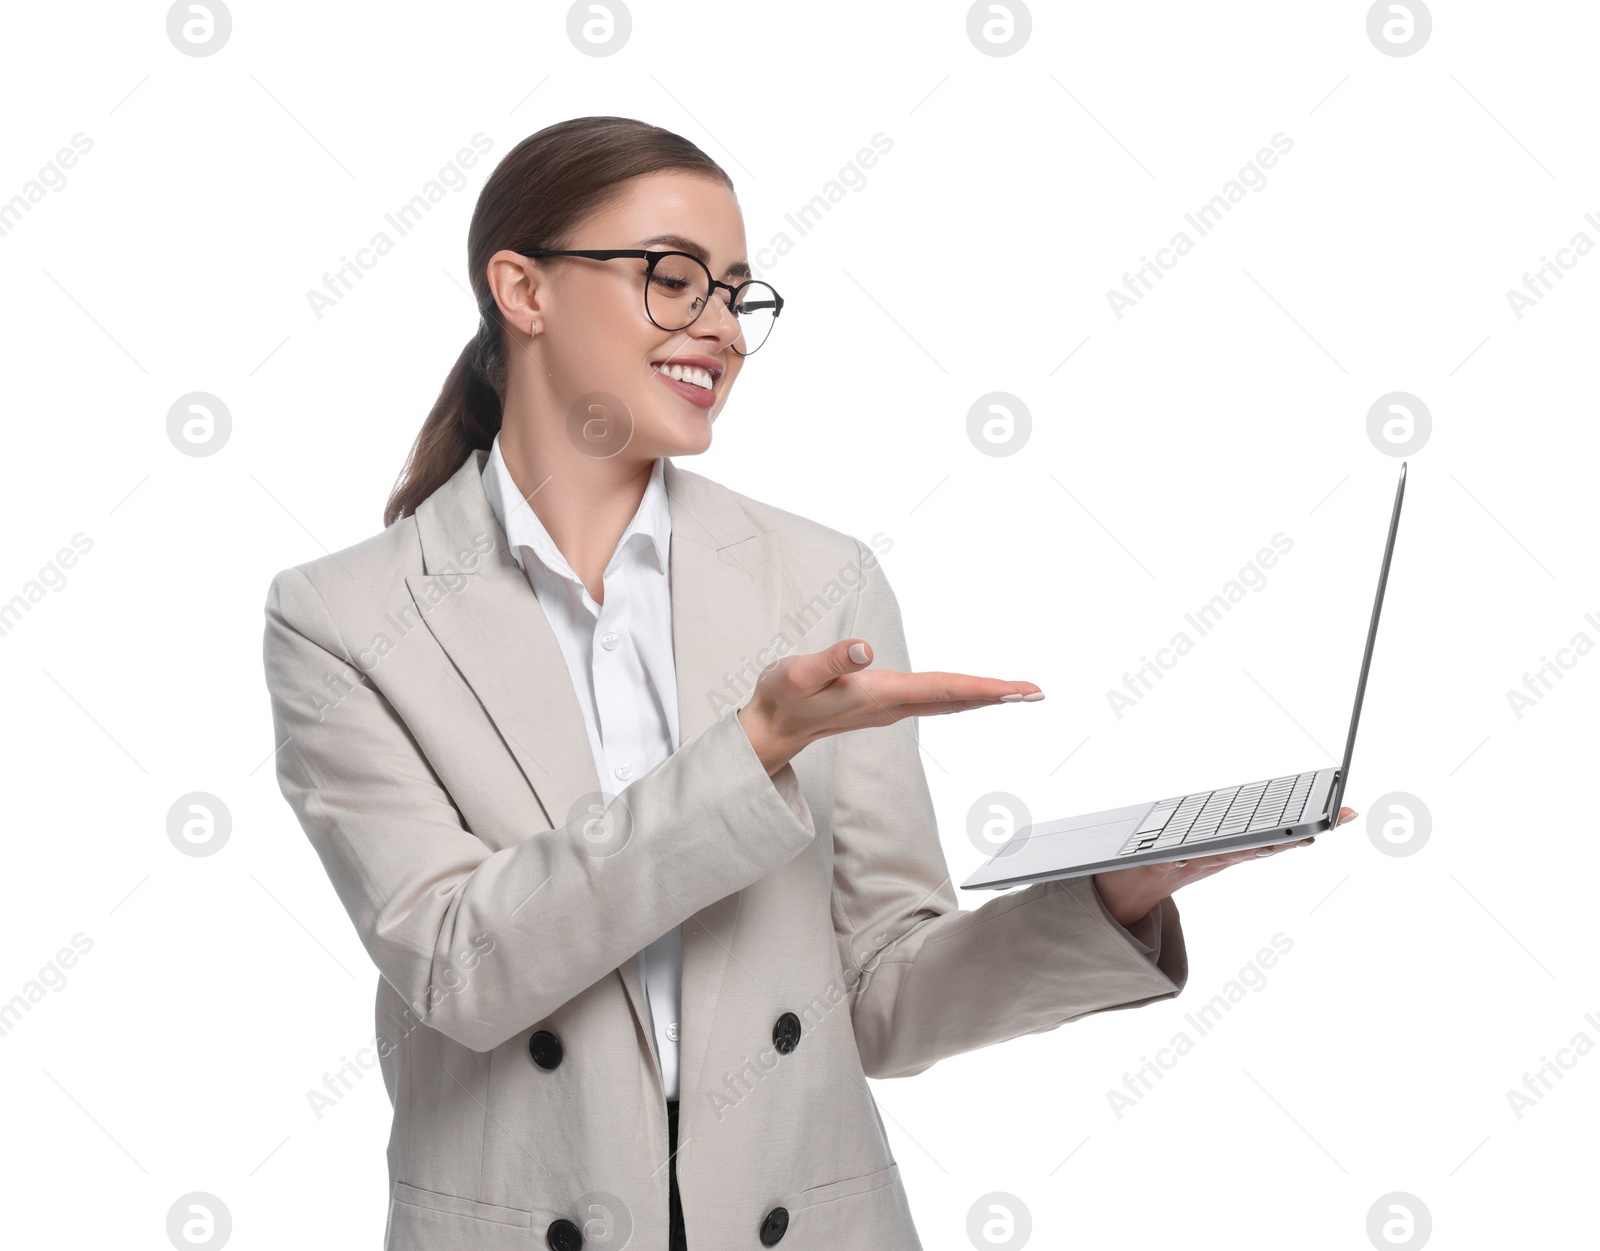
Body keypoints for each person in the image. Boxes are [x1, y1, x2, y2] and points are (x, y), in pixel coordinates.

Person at [262, 115, 1353, 1251]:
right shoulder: (342, 617)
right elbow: (459, 971)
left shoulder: (820, 584)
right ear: (522, 291)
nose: (720, 330)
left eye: (736, 294)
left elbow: (881, 996)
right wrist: (752, 751)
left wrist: (1112, 900)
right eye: (674, 280)